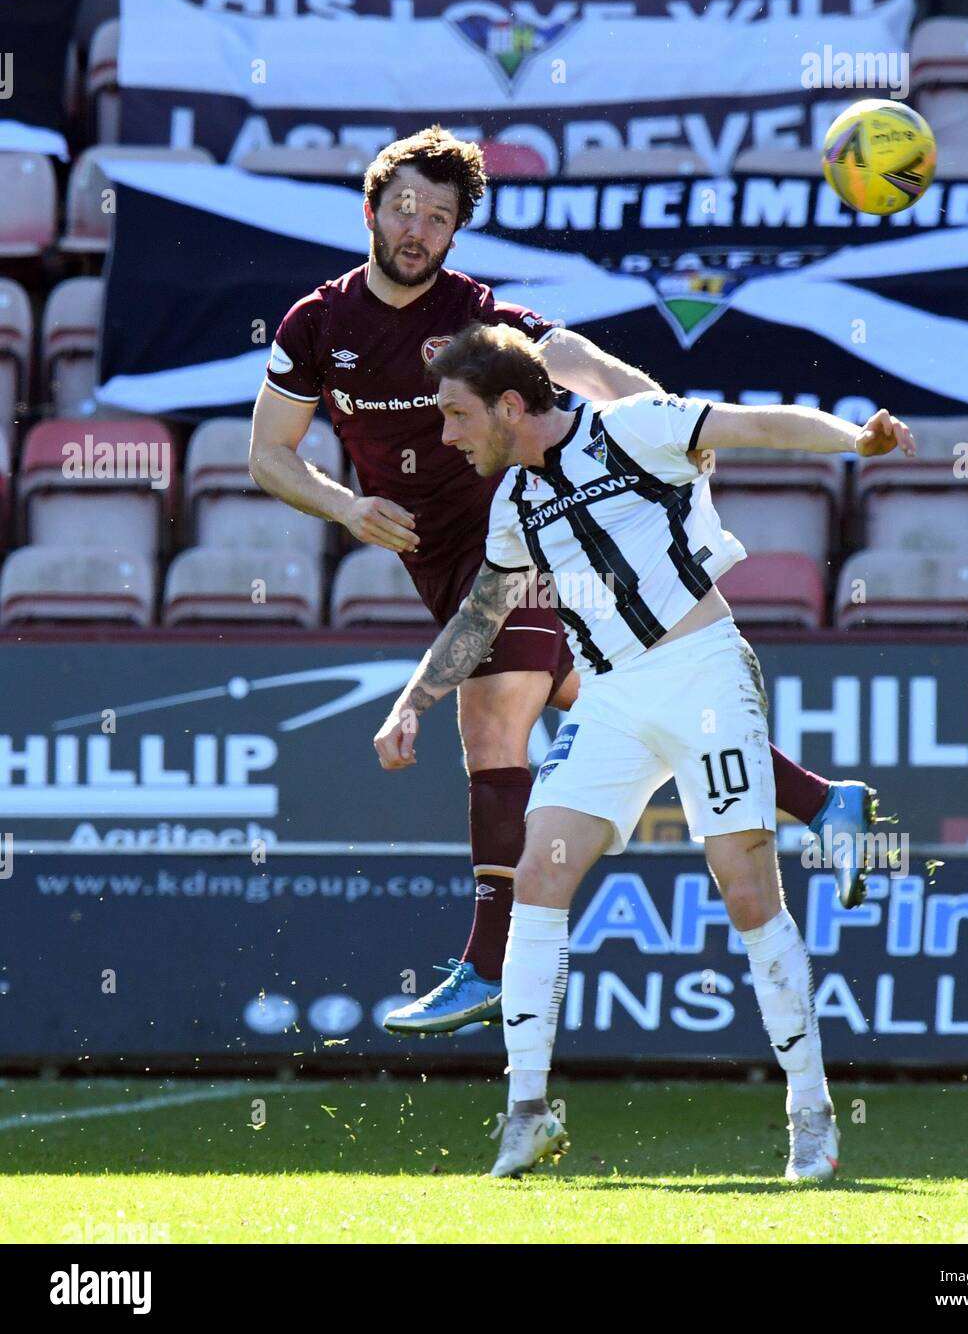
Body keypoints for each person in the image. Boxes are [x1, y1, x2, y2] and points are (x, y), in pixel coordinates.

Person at [250, 124, 878, 1040]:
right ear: (371, 211)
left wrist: (673, 432)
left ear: (458, 230)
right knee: (636, 703)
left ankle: (485, 965)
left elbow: (589, 368)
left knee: (491, 713)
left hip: (523, 540)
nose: (418, 227)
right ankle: (825, 801)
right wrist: (346, 509)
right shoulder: (317, 325)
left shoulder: (478, 321)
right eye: (404, 208)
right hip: (441, 560)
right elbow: (269, 456)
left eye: (439, 214)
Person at [374, 321, 916, 1180]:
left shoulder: (632, 428)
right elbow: (481, 614)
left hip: (701, 671)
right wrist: (412, 703)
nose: (446, 436)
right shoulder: (515, 502)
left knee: (744, 889)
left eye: (456, 415)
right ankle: (525, 1113)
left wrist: (855, 439)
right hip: (612, 697)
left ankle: (810, 1113)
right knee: (538, 871)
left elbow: (758, 422)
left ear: (512, 406)